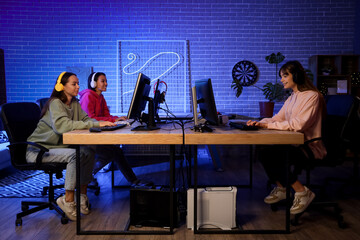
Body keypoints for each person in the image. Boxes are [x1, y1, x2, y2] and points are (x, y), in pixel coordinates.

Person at [26, 72, 115, 221]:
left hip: (55, 148)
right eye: (74, 84)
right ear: (62, 86)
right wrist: (95, 123)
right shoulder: (55, 103)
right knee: (76, 154)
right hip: (39, 150)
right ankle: (67, 200)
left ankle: (81, 196)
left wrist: (101, 123)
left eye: (78, 83)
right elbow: (63, 126)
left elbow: (86, 118)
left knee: (88, 150)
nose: (78, 87)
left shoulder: (74, 103)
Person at [247, 60, 327, 215]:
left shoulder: (312, 96)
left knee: (275, 155)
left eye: (285, 76)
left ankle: (302, 192)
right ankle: (282, 187)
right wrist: (259, 123)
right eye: (281, 76)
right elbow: (278, 118)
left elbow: (299, 125)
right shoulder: (292, 97)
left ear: (296, 76)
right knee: (264, 152)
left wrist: (266, 126)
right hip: (295, 144)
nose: (281, 80)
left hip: (308, 146)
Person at [79, 72, 150, 186]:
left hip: (96, 133)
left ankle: (134, 181)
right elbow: (90, 119)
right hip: (88, 137)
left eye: (106, 81)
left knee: (116, 151)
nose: (106, 83)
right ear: (94, 83)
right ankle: (86, 175)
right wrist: (112, 120)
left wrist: (117, 119)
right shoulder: (88, 96)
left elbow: (107, 115)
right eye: (103, 81)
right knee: (113, 152)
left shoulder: (100, 97)